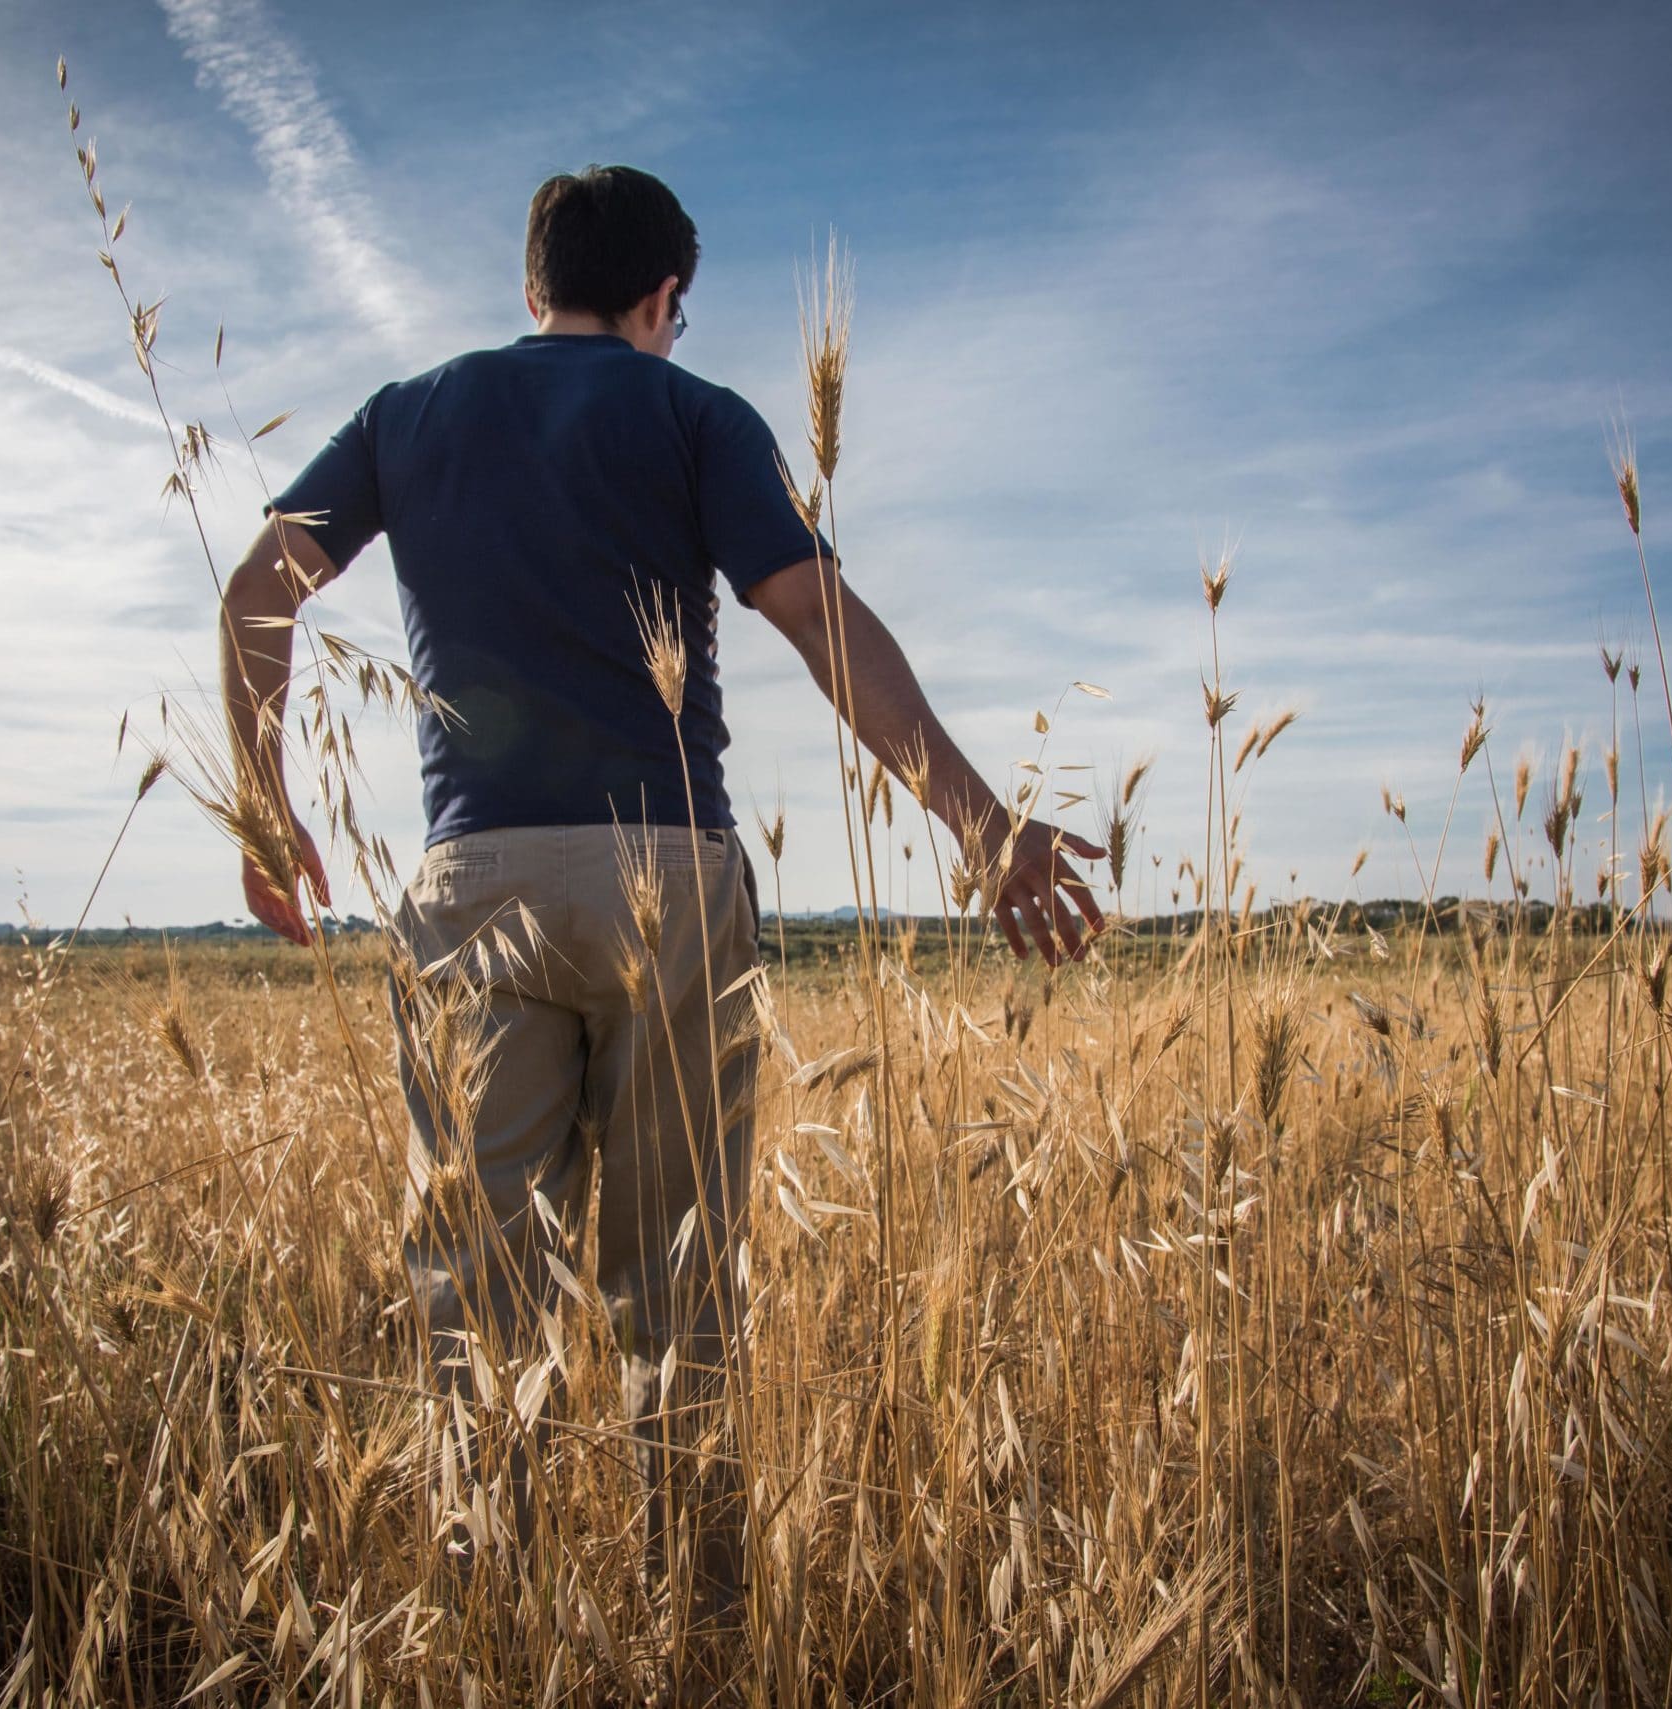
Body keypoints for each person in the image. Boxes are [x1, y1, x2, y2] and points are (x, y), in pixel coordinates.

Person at [216, 163, 1104, 1664]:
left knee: (476, 1301)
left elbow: (257, 584)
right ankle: (698, 1632)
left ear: (532, 286)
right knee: (676, 1288)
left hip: (470, 884)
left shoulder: (404, 414)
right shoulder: (698, 416)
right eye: (675, 315)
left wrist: (264, 803)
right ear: (661, 299)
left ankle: (486, 1637)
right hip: (669, 878)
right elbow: (818, 619)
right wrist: (982, 821)